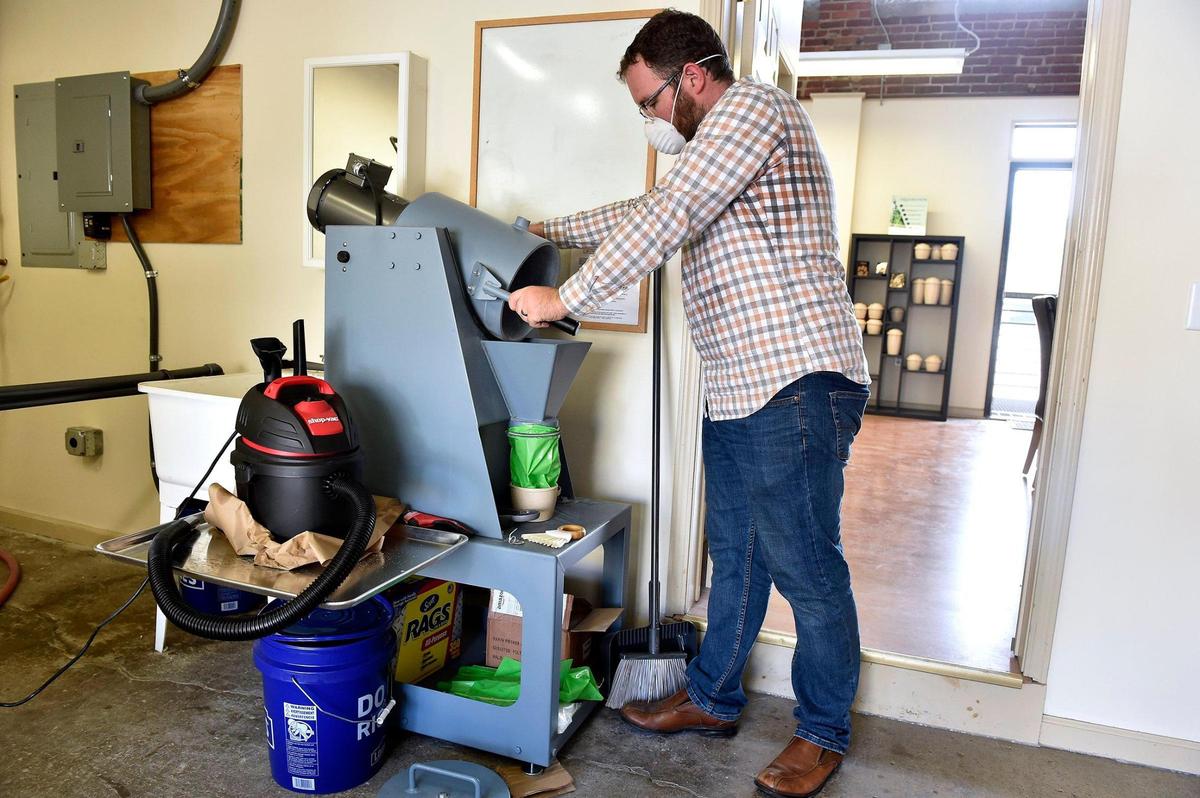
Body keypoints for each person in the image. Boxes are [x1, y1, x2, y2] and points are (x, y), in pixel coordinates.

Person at [508, 10, 870, 798]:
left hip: (797, 380)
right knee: (735, 553)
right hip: (742, 385)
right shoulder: (712, 148)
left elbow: (668, 217)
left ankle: (822, 731)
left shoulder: (755, 110)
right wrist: (544, 230)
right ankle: (712, 697)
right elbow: (642, 212)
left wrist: (561, 295)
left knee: (808, 567)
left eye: (649, 102)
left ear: (693, 78)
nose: (648, 120)